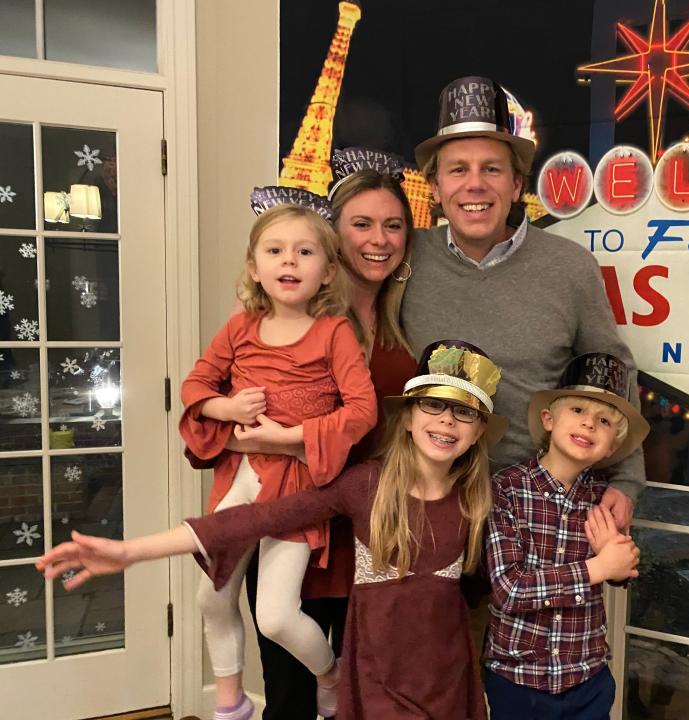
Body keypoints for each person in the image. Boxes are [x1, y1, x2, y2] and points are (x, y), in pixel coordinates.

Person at [38, 340, 507, 720]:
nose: (446, 421)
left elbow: (481, 591)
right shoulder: (368, 485)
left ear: (480, 429)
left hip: (449, 686)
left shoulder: (479, 502)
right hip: (377, 686)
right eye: (432, 406)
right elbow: (253, 519)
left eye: (463, 412)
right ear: (407, 417)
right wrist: (131, 552)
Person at [227, 152, 420, 720]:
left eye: (394, 225)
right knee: (290, 696)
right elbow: (226, 430)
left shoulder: (409, 327)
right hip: (295, 526)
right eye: (361, 224)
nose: (379, 240)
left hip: (376, 533)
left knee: (367, 694)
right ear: (330, 239)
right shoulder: (282, 324)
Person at [403, 76, 645, 528]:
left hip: (537, 510)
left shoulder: (569, 266)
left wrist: (626, 479)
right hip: (427, 499)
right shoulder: (404, 261)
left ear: (517, 186)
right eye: (458, 170)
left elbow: (612, 367)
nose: (475, 186)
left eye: (491, 170)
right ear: (434, 188)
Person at [179, 200, 377, 719]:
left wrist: (290, 436)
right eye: (275, 250)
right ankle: (230, 704)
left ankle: (330, 674)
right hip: (239, 479)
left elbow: (362, 410)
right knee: (210, 597)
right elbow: (195, 386)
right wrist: (225, 406)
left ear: (328, 270)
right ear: (254, 266)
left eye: (305, 251)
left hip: (297, 489)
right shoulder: (240, 325)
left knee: (275, 616)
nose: (289, 262)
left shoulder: (334, 332)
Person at [484, 352, 649, 719]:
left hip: (586, 678)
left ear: (612, 447)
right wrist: (596, 568)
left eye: (603, 420)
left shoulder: (604, 498)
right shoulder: (508, 489)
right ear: (548, 419)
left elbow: (622, 568)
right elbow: (508, 590)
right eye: (577, 410)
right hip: (518, 679)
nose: (589, 424)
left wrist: (619, 569)